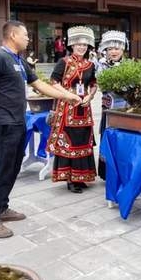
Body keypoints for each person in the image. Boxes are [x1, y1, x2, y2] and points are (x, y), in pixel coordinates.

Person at [0, 20, 81, 239]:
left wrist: (67, 95)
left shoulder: (19, 61)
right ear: (13, 35)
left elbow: (39, 85)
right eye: (25, 35)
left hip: (17, 121)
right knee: (2, 169)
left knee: (12, 168)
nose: (28, 39)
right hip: (1, 122)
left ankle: (2, 207)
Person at [48, 26, 98, 193]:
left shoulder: (90, 64)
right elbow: (53, 82)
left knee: (83, 141)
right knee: (70, 141)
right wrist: (69, 95)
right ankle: (70, 178)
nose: (81, 47)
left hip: (84, 108)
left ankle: (81, 176)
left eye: (84, 44)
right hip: (68, 108)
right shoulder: (64, 62)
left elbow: (93, 84)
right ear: (71, 45)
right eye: (78, 44)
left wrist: (90, 96)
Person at [96, 30, 129, 180]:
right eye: (110, 49)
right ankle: (107, 172)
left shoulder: (129, 65)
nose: (114, 52)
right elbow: (103, 85)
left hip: (126, 110)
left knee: (124, 139)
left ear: (123, 49)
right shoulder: (101, 65)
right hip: (109, 109)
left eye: (117, 48)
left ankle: (123, 169)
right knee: (108, 138)